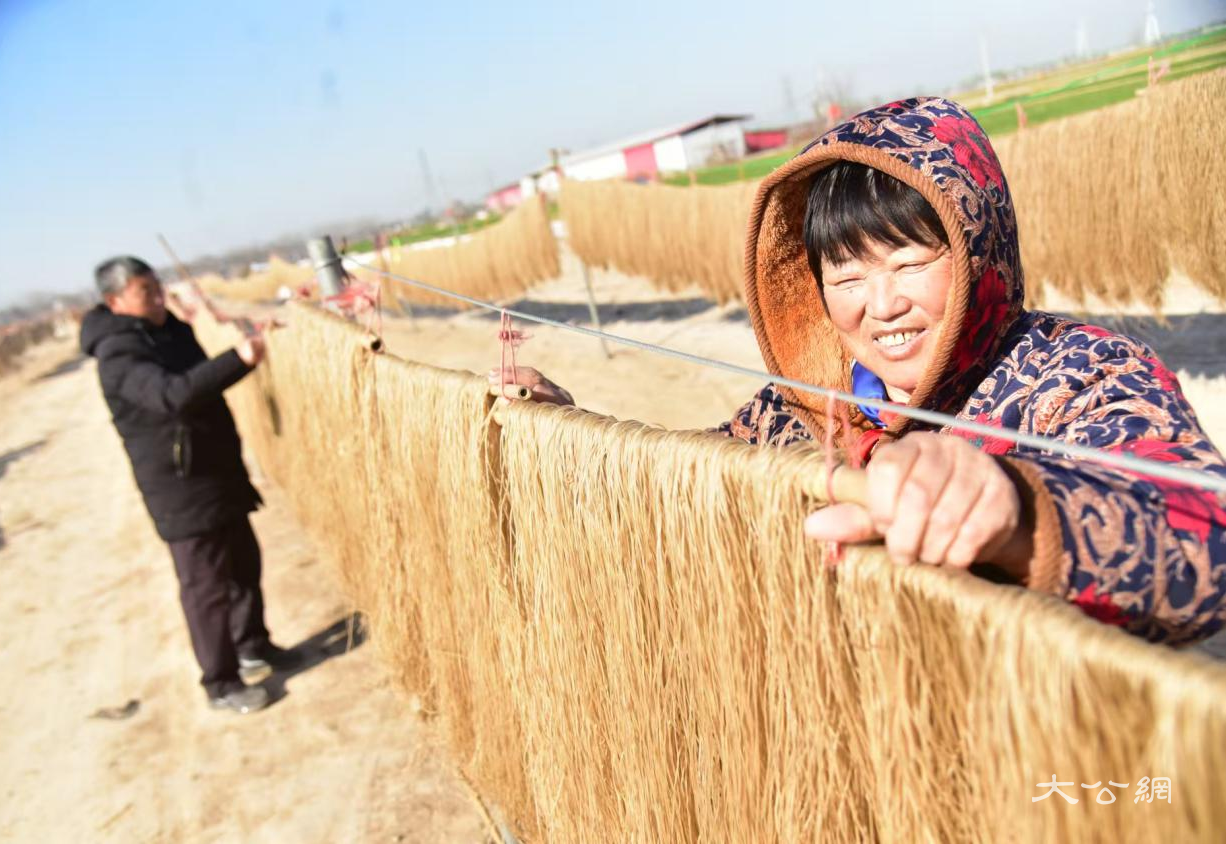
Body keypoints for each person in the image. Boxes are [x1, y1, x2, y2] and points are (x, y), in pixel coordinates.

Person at [489, 97, 1226, 645]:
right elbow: (694, 471)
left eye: (910, 259)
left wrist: (1017, 511)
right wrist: (568, 424)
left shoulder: (1079, 370)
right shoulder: (814, 401)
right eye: (845, 275)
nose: (881, 305)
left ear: (978, 252)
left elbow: (1206, 545)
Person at [81, 256, 297, 713]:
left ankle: (253, 645)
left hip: (216, 468)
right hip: (179, 486)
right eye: (145, 292)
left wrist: (243, 350)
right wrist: (238, 358)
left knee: (243, 564)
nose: (158, 297)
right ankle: (220, 682)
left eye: (158, 287)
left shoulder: (170, 330)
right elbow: (171, 394)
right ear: (115, 300)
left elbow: (203, 377)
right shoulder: (117, 353)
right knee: (205, 586)